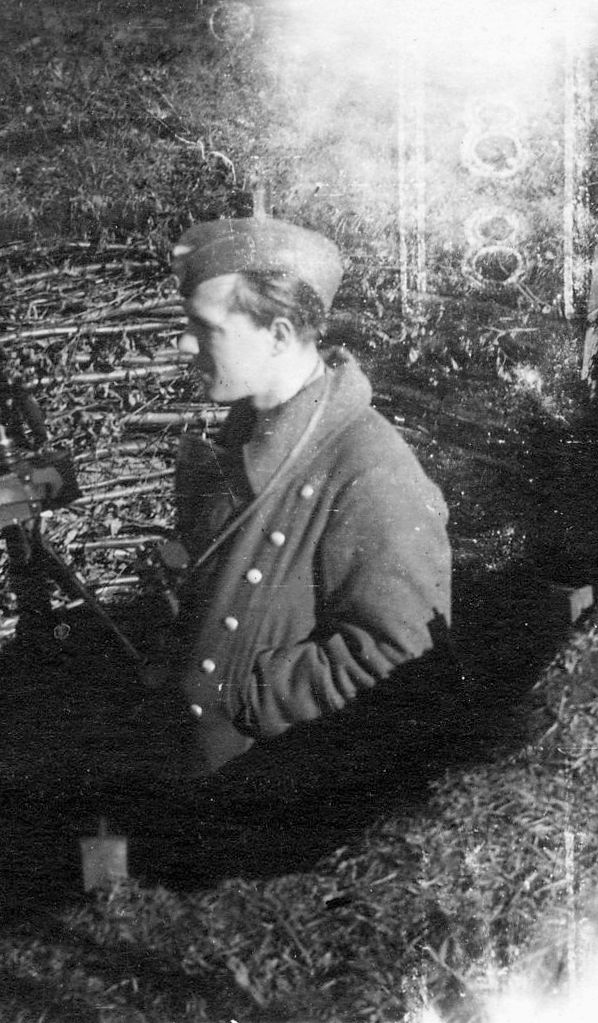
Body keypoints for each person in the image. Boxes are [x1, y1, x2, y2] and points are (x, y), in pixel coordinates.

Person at [144, 215, 458, 784]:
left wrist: (241, 696)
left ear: (280, 334)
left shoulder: (371, 469)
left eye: (204, 326)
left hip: (275, 791)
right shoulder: (246, 436)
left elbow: (397, 656)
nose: (183, 343)